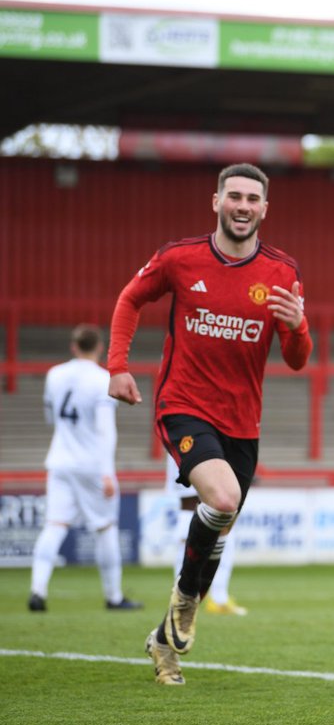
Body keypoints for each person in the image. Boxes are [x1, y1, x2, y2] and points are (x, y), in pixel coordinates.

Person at [107, 163, 310, 685]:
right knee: (221, 501)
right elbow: (130, 298)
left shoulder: (282, 271)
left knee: (218, 526)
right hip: (183, 404)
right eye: (234, 196)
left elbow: (296, 359)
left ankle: (164, 638)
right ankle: (186, 602)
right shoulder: (180, 258)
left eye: (253, 199)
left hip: (243, 422)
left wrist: (297, 326)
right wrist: (118, 366)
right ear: (216, 201)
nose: (243, 206)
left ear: (265, 208)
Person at [29, 325, 142, 613]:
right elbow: (106, 431)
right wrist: (107, 471)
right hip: (92, 465)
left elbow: (48, 417)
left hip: (60, 460)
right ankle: (113, 596)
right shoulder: (102, 379)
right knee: (105, 529)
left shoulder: (55, 374)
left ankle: (38, 590)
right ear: (100, 347)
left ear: (73, 346)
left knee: (54, 525)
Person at [167, 456, 248, 616]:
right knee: (198, 506)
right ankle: (201, 596)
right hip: (194, 446)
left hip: (193, 444)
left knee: (216, 509)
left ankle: (201, 596)